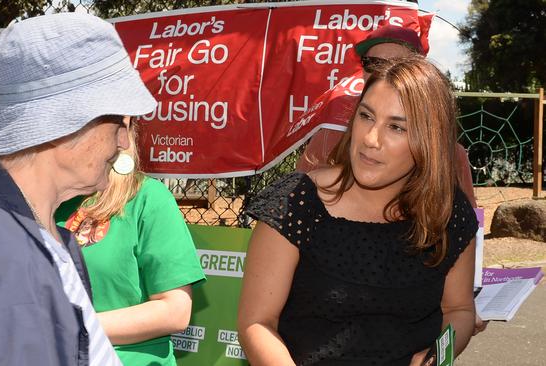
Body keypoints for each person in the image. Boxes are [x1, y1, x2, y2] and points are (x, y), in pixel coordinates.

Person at [0, 12, 156, 365]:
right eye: (117, 122)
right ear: (62, 125)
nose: (124, 141)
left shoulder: (21, 230)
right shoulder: (7, 264)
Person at [237, 56, 478, 365]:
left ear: (430, 140)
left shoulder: (448, 211)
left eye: (395, 127)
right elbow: (256, 323)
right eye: (366, 116)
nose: (370, 138)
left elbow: (459, 310)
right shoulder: (296, 202)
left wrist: (433, 358)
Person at [55, 121, 206, 365]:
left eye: (121, 122)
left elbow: (175, 311)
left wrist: (69, 326)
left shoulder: (148, 197)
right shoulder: (40, 198)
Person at [295, 26, 477, 206]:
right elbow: (294, 203)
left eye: (398, 65)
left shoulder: (449, 154)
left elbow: (470, 225)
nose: (383, 73)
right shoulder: (328, 136)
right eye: (372, 63)